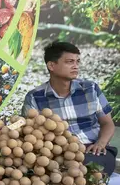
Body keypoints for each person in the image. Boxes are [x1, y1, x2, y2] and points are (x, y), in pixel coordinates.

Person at [22, 41, 117, 176]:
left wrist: (101, 144)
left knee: (87, 172)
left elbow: (108, 123)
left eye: (77, 61)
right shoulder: (35, 97)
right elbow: (29, 133)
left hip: (93, 149)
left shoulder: (90, 89)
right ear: (51, 65)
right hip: (58, 154)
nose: (76, 66)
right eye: (69, 62)